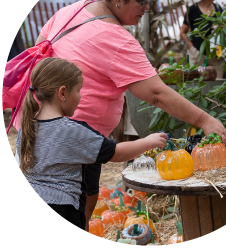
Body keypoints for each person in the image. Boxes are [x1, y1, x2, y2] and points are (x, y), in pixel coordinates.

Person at [31, 0, 226, 230]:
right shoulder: (116, 38)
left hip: (40, 126)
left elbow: (37, 54)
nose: (148, 8)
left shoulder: (72, 10)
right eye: (141, 1)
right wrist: (204, 120)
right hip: (80, 140)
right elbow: (156, 95)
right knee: (73, 212)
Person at [16, 57, 168, 230]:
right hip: (63, 209)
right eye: (79, 90)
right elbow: (116, 153)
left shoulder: (26, 127)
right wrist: (148, 142)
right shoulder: (71, 130)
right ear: (63, 93)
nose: (80, 96)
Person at [180, 0, 224, 75]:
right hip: (196, 55)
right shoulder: (193, 10)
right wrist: (191, 48)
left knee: (216, 85)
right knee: (194, 84)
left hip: (215, 56)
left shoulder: (219, 9)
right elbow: (183, 32)